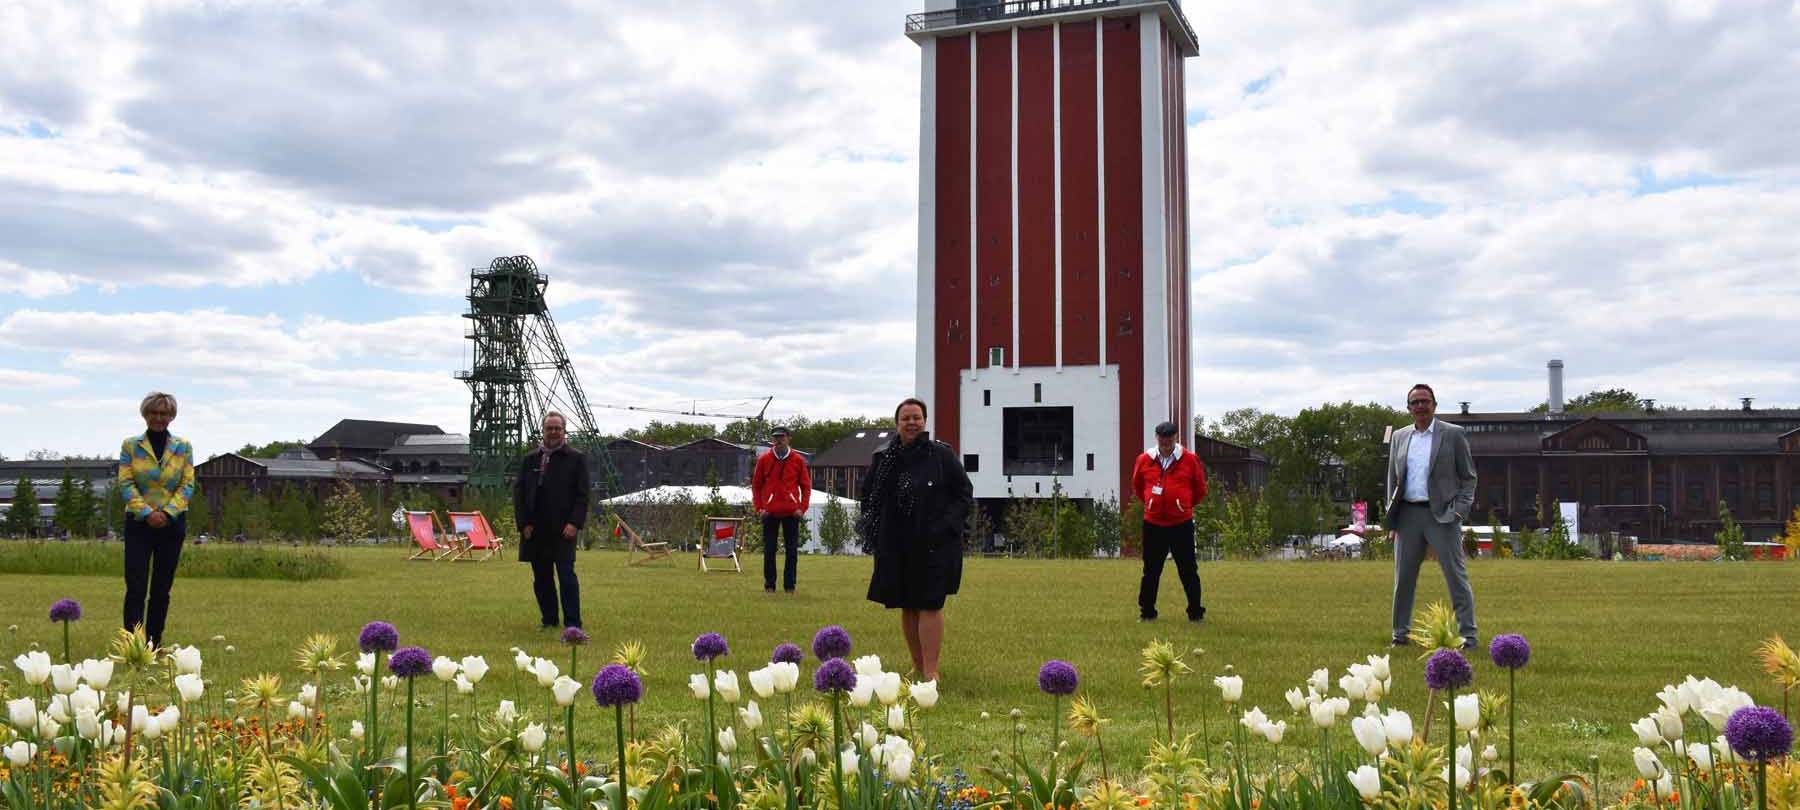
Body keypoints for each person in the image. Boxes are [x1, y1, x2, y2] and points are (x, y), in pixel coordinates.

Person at [860, 397, 971, 681]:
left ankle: (931, 672)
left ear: (924, 422)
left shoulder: (941, 455)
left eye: (916, 417)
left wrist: (948, 526)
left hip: (935, 544)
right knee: (907, 604)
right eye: (906, 418)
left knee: (930, 604)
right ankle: (917, 665)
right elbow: (868, 498)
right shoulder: (882, 458)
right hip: (896, 544)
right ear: (897, 423)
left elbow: (963, 494)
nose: (911, 422)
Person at [1384, 383, 1479, 649]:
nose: (1420, 406)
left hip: (1443, 516)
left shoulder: (1453, 435)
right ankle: (1400, 635)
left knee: (1456, 578)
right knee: (1403, 580)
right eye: (1415, 402)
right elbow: (1392, 480)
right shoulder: (1400, 437)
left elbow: (1468, 478)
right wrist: (1392, 520)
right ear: (1408, 408)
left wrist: (1459, 510)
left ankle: (1468, 637)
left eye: (1425, 401)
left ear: (1434, 405)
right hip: (1407, 516)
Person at [118, 391, 197, 647]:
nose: (158, 418)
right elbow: (126, 484)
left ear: (171, 416)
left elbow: (187, 485)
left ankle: (154, 641)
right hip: (139, 525)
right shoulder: (131, 446)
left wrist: (167, 513)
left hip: (172, 525)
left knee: (161, 589)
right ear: (145, 414)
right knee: (136, 587)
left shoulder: (183, 447)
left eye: (164, 413)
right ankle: (133, 643)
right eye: (153, 412)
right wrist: (147, 513)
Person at [514, 411, 590, 630]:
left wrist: (574, 523)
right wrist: (524, 524)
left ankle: (573, 624)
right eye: (550, 428)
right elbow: (519, 493)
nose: (554, 432)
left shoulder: (576, 459)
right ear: (544, 430)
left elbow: (582, 495)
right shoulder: (530, 459)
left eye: (558, 428)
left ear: (564, 431)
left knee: (567, 577)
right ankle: (549, 620)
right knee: (542, 579)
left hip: (563, 529)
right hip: (536, 530)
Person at [1131, 420, 1209, 622]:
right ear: (1157, 438)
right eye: (1162, 438)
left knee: (1188, 570)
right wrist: (1151, 504)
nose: (1166, 442)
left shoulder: (1190, 460)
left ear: (1176, 438)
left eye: (1169, 438)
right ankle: (1147, 613)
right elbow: (1138, 486)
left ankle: (1195, 613)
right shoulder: (1144, 460)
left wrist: (1182, 506)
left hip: (1181, 524)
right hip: (1153, 524)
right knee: (1151, 571)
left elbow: (1200, 490)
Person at [752, 425, 811, 593]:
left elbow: (806, 487)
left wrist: (802, 508)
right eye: (775, 437)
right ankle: (769, 585)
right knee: (769, 550)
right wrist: (760, 508)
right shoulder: (764, 459)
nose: (778, 440)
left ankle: (789, 586)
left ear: (788, 438)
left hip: (792, 512)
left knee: (791, 551)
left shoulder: (798, 460)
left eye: (782, 437)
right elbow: (756, 485)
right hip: (769, 512)